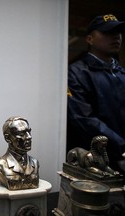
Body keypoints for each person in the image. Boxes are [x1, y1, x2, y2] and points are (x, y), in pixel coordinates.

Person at [67, 14, 125, 174]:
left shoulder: (120, 73)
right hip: (96, 161)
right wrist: (121, 147)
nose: (116, 37)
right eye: (108, 33)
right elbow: (83, 118)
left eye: (118, 32)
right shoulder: (76, 73)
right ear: (90, 39)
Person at [0, 116, 39, 190]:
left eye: (29, 132)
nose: (29, 137)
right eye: (21, 133)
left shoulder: (35, 163)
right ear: (8, 138)